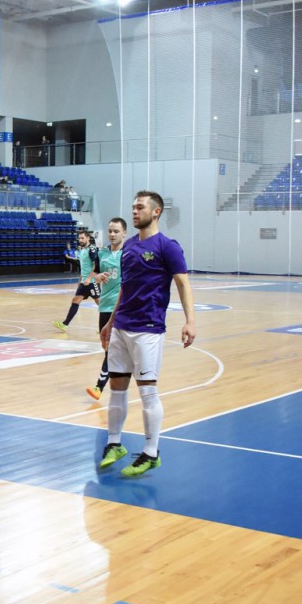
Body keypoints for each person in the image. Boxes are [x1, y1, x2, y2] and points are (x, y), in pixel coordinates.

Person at [98, 191, 196, 478]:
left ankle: (151, 453)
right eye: (133, 206)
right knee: (117, 389)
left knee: (148, 392)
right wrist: (110, 322)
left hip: (148, 329)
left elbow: (183, 284)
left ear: (156, 212)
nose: (134, 211)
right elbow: (125, 287)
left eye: (140, 207)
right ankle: (114, 444)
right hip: (121, 327)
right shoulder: (128, 246)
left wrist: (190, 321)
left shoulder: (168, 247)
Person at [85, 219, 127, 401]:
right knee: (108, 348)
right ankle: (118, 380)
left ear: (124, 233)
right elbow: (93, 274)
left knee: (112, 349)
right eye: (110, 231)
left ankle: (99, 387)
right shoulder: (101, 253)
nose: (112, 234)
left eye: (116, 231)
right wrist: (98, 277)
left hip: (122, 307)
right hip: (105, 306)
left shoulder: (128, 254)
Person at [54, 230, 100, 332]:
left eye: (82, 238)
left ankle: (110, 325)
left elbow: (96, 265)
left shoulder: (92, 249)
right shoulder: (82, 250)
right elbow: (83, 267)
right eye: (79, 238)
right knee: (75, 300)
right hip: (84, 282)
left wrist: (89, 278)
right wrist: (80, 280)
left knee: (101, 304)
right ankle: (65, 324)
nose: (80, 240)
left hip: (92, 282)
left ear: (88, 238)